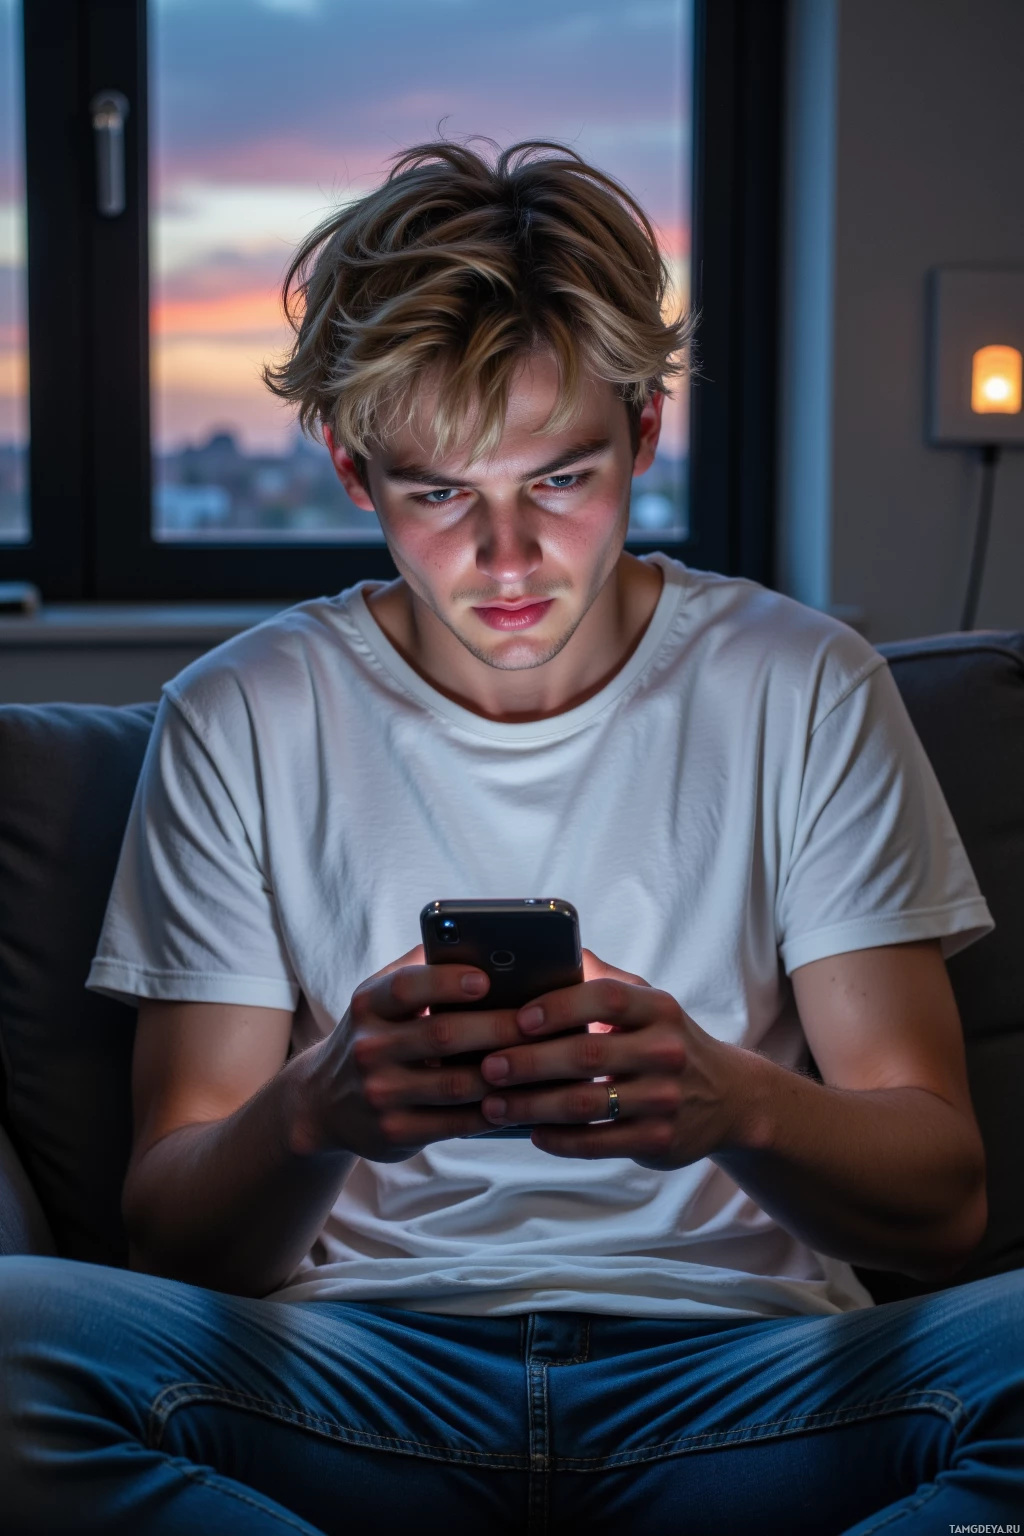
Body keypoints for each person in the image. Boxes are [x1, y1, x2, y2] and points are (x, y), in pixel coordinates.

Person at [1, 140, 1021, 1536]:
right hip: (355, 1381)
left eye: (560, 479)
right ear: (355, 476)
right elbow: (169, 1234)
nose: (508, 561)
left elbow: (945, 1200)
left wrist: (733, 1104)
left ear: (646, 433)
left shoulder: (805, 683)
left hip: (752, 1380)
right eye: (439, 495)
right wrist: (315, 1109)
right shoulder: (241, 713)